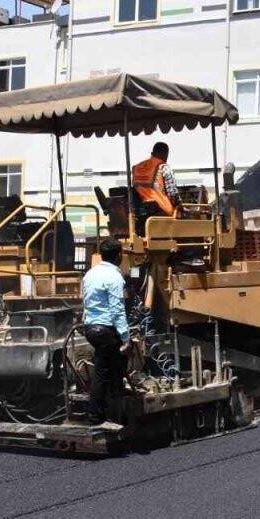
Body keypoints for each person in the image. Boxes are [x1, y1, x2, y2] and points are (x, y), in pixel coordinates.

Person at [81, 238, 130, 424]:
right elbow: (117, 310)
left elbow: (86, 302)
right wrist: (125, 338)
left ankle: (111, 411)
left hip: (90, 329)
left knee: (109, 367)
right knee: (106, 371)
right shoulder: (114, 277)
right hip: (106, 330)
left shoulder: (90, 274)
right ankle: (98, 415)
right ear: (118, 256)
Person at [132, 142, 182, 221]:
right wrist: (180, 206)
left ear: (152, 153)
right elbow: (172, 194)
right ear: (165, 154)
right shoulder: (163, 167)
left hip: (139, 212)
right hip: (162, 212)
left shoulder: (136, 168)